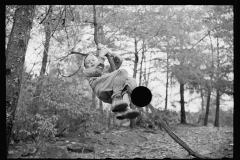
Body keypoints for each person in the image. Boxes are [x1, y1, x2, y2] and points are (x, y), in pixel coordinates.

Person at [83, 44, 139, 120]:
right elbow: (97, 71)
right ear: (86, 66)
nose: (91, 62)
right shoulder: (87, 71)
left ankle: (124, 110)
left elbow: (117, 64)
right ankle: (116, 99)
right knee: (122, 72)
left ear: (97, 60)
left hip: (111, 93)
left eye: (93, 60)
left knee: (130, 81)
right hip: (101, 88)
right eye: (88, 62)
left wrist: (110, 54)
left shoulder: (105, 69)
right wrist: (102, 55)